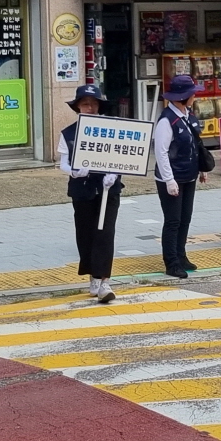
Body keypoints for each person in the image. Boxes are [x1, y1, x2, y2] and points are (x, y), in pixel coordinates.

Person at [58, 83, 122, 304]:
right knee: (85, 234)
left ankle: (104, 281)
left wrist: (114, 173)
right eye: (85, 104)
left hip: (107, 189)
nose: (90, 108)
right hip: (82, 190)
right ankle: (93, 275)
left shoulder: (110, 129)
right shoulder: (68, 133)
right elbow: (63, 164)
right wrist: (74, 172)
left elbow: (122, 155)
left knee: (105, 233)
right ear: (78, 107)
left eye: (94, 104)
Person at [151, 74, 203, 278]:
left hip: (189, 176)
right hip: (171, 178)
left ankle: (181, 256)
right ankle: (171, 262)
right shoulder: (166, 120)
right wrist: (169, 180)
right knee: (173, 221)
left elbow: (194, 144)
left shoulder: (187, 114)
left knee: (185, 219)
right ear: (184, 96)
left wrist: (201, 169)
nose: (194, 97)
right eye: (192, 94)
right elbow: (161, 152)